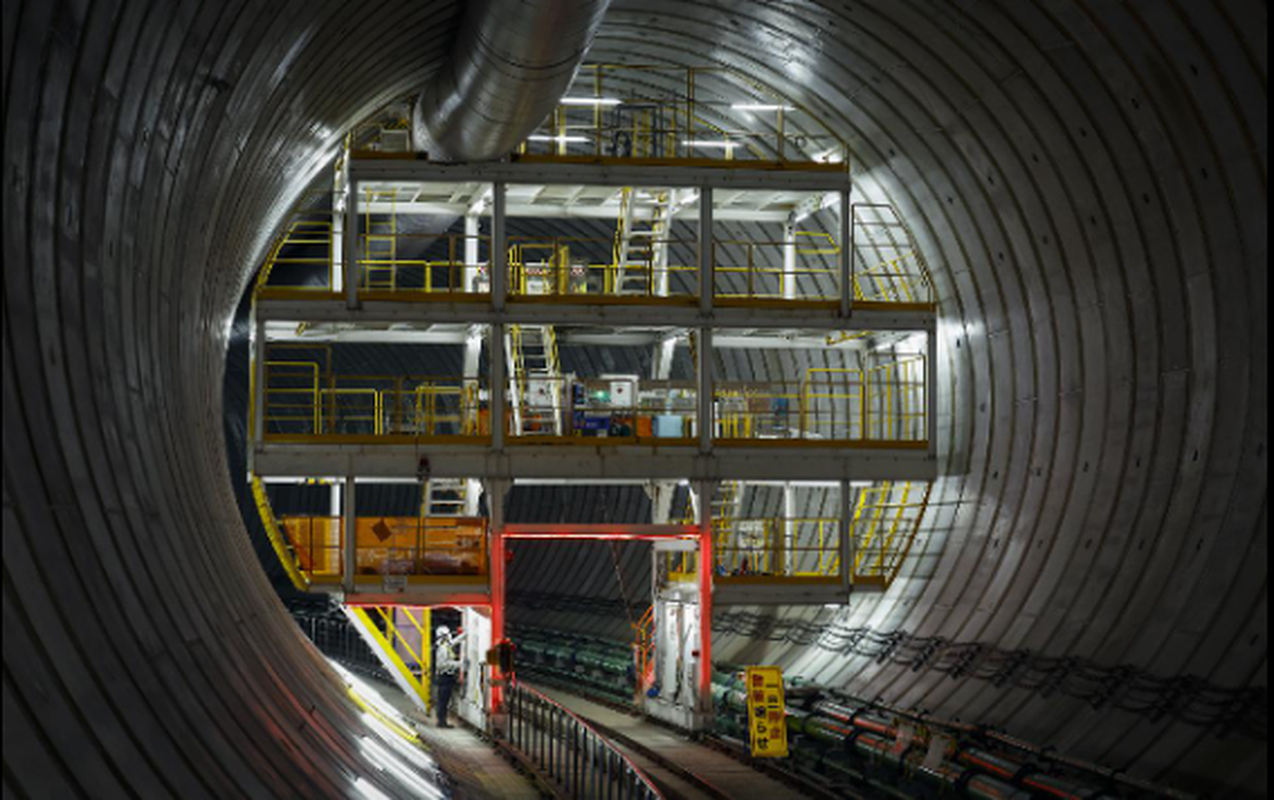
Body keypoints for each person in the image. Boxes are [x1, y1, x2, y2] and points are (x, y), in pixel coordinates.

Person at [434, 625, 464, 728]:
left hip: (446, 677)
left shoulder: (445, 645)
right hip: (445, 677)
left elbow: (454, 642)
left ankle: (442, 721)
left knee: (444, 701)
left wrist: (465, 635)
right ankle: (441, 722)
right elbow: (442, 664)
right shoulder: (443, 648)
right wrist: (459, 664)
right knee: (443, 701)